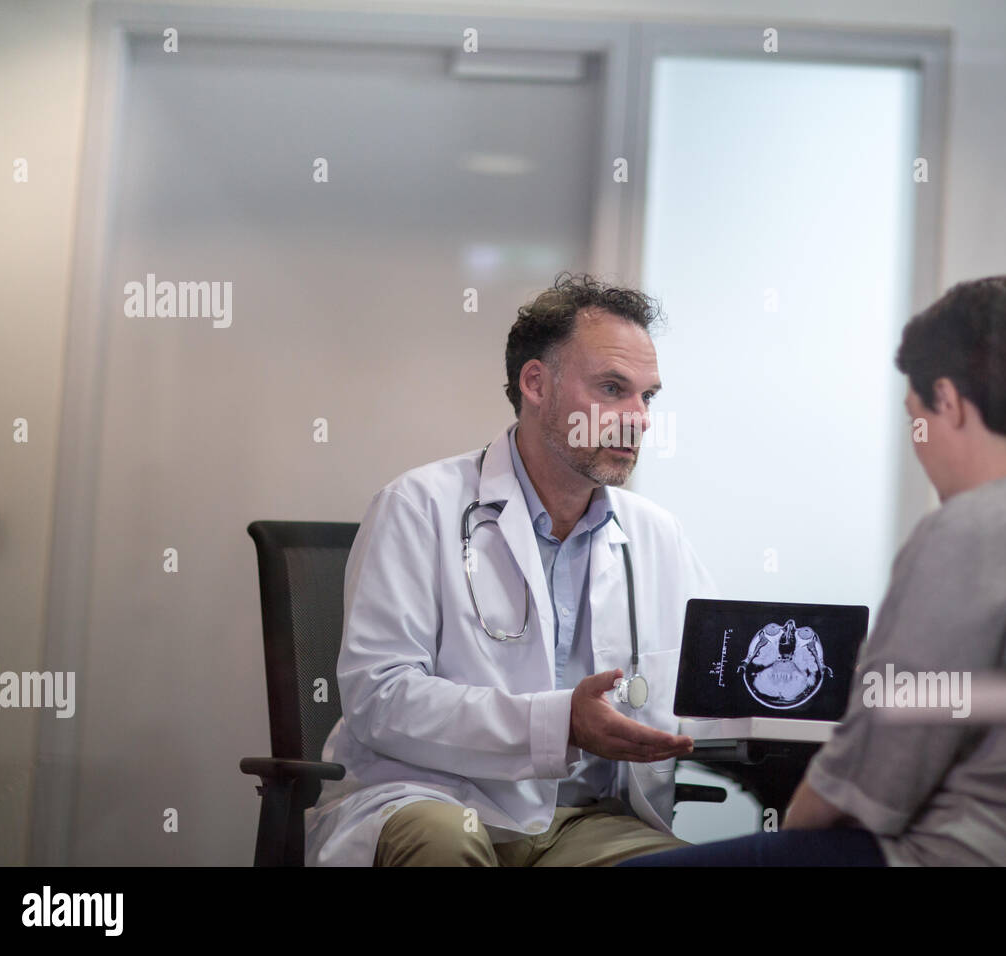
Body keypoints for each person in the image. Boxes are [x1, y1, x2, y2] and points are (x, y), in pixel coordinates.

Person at [620, 274, 1006, 867]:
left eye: (914, 417)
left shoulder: (970, 532)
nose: (919, 448)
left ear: (946, 401)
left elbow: (867, 787)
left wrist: (787, 835)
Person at [306, 273, 716, 866]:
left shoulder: (656, 535)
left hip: (582, 822)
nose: (639, 419)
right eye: (611, 388)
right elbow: (380, 698)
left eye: (646, 397)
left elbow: (713, 689)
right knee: (447, 843)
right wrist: (559, 724)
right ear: (535, 383)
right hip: (431, 796)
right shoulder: (419, 505)